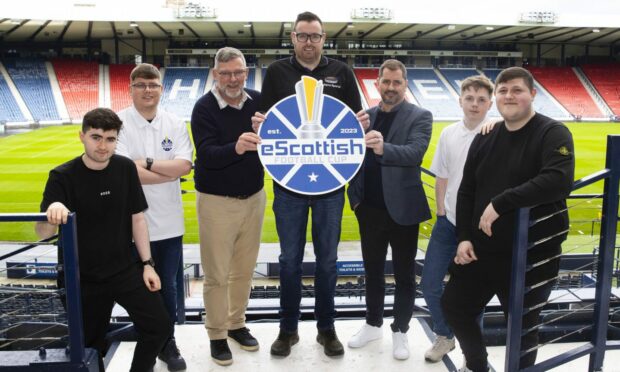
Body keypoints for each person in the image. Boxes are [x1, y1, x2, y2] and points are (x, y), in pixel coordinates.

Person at [441, 67, 575, 372]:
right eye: (502, 91)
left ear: (532, 95)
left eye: (517, 90)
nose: (509, 96)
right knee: (455, 306)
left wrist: (501, 202)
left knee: (523, 326)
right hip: (483, 250)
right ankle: (478, 366)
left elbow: (559, 179)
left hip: (532, 254)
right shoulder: (486, 136)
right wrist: (463, 236)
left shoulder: (552, 132)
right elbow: (466, 192)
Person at [252, 11, 369, 358]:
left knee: (328, 261)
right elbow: (268, 123)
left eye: (314, 36)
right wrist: (260, 124)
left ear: (323, 38)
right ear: (292, 38)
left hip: (330, 185)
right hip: (290, 184)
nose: (308, 42)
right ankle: (288, 329)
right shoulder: (276, 73)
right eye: (302, 35)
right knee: (289, 260)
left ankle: (326, 329)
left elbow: (353, 123)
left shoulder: (341, 73)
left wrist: (361, 125)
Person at [35, 108, 172, 372]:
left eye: (110, 139)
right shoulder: (62, 177)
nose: (103, 145)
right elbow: (43, 234)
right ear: (81, 136)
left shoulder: (124, 168)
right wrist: (51, 214)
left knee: (159, 325)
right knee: (90, 346)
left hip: (124, 270)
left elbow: (137, 219)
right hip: (81, 278)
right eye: (96, 137)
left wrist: (147, 264)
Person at [346, 59, 432, 360]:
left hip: (403, 210)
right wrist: (354, 200)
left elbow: (415, 153)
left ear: (405, 84)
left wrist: (384, 148)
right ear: (378, 84)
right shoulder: (365, 116)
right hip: (368, 208)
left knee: (405, 275)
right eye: (386, 82)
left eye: (397, 83)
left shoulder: (421, 115)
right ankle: (372, 324)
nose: (391, 88)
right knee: (371, 272)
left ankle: (401, 330)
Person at [191, 47, 265, 366]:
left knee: (244, 272)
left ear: (246, 73)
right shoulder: (204, 107)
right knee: (217, 274)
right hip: (216, 202)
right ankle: (217, 334)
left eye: (238, 72)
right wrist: (236, 147)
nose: (233, 79)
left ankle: (236, 325)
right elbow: (206, 155)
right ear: (215, 74)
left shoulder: (260, 101)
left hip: (254, 197)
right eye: (226, 73)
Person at [116, 63, 193, 372]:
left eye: (153, 84)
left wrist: (146, 164)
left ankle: (167, 342)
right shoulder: (118, 122)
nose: (148, 90)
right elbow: (124, 171)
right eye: (141, 85)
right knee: (138, 289)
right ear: (132, 88)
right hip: (130, 223)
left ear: (161, 88)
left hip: (170, 221)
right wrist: (165, 170)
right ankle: (152, 340)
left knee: (169, 290)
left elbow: (185, 167)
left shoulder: (174, 122)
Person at [421, 75, 495, 363]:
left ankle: (471, 351)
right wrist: (441, 211)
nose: (474, 104)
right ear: (460, 99)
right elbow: (442, 174)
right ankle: (445, 335)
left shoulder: (497, 132)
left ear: (490, 103)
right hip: (448, 222)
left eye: (481, 99)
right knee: (429, 284)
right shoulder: (449, 133)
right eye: (469, 98)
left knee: (472, 296)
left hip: (478, 229)